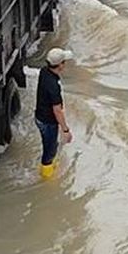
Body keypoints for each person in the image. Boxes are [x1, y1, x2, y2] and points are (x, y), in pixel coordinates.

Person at [35, 47, 75, 178]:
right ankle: (46, 178)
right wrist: (65, 130)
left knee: (51, 145)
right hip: (48, 122)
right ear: (60, 65)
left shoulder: (44, 71)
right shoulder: (53, 86)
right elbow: (57, 110)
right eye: (64, 61)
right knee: (49, 152)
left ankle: (47, 168)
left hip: (39, 117)